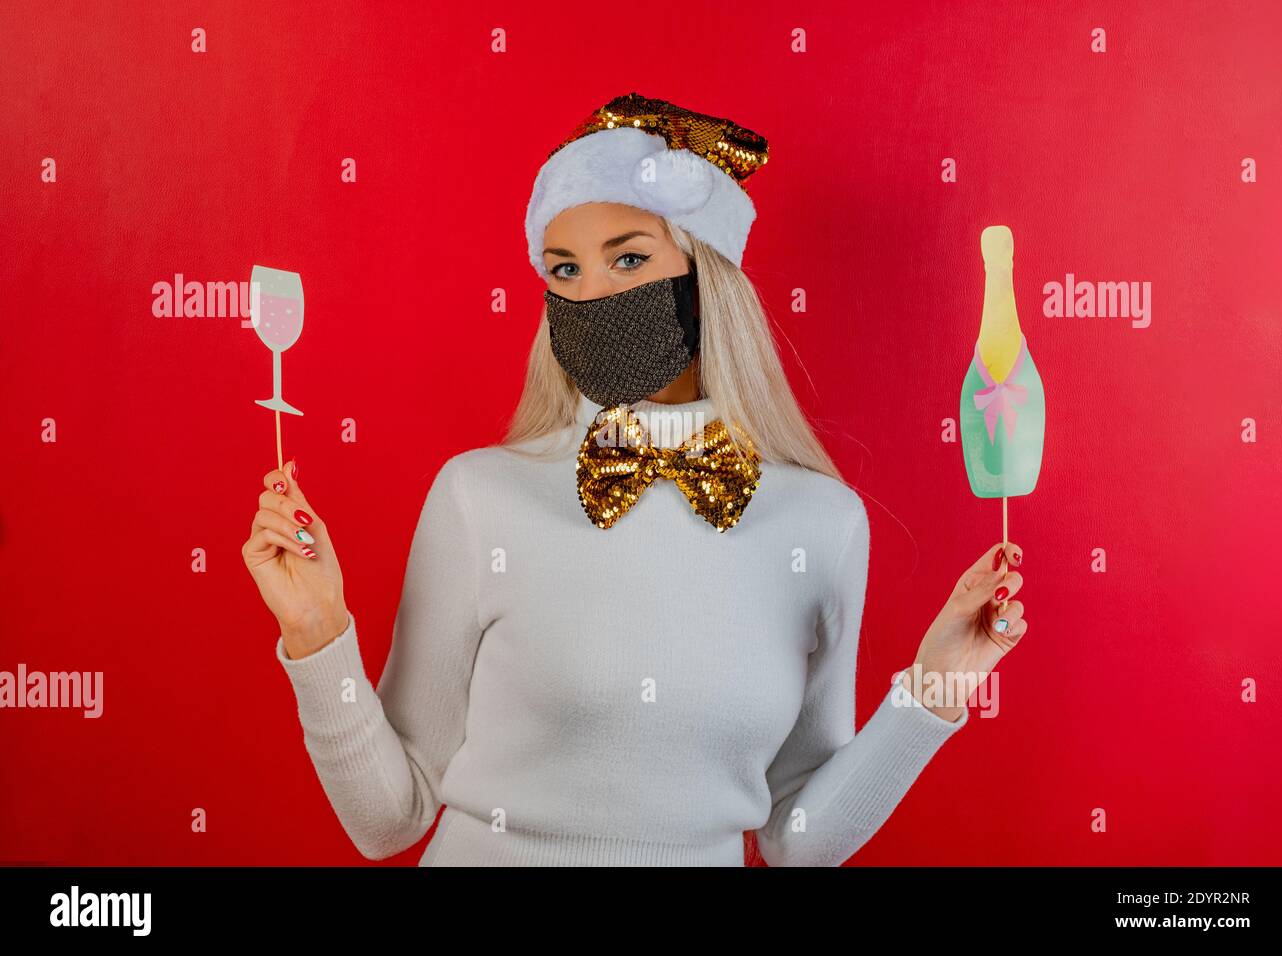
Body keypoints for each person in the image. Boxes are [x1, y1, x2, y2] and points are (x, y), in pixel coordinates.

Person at [242, 91, 1029, 867]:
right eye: (564, 269)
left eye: (628, 257)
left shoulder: (822, 523)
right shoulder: (478, 498)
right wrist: (317, 637)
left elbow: (800, 839)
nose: (594, 295)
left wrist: (933, 689)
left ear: (704, 274)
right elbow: (389, 819)